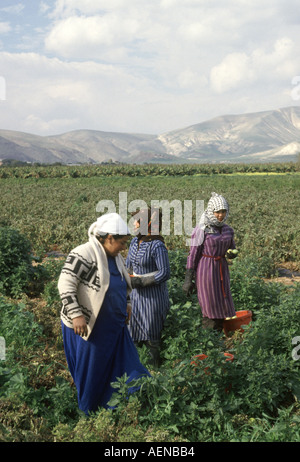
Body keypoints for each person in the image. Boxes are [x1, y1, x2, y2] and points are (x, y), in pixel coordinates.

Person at [58, 212, 150, 415]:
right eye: (122, 242)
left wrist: (126, 304)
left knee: (129, 364)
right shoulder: (83, 253)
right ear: (109, 238)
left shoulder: (114, 257)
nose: (124, 247)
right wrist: (76, 315)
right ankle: (88, 412)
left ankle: (123, 402)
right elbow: (65, 284)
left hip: (114, 326)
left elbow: (120, 282)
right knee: (94, 372)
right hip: (91, 328)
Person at [183, 192, 237, 332]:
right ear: (211, 211)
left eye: (223, 212)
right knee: (210, 303)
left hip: (221, 269)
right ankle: (208, 336)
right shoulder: (201, 230)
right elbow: (193, 254)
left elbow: (232, 247)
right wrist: (189, 278)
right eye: (217, 212)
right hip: (206, 271)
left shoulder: (228, 230)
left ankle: (218, 335)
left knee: (222, 302)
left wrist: (231, 254)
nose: (221, 215)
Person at [126, 208, 170, 367]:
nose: (134, 224)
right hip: (136, 298)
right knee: (133, 333)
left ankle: (154, 372)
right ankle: (136, 371)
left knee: (151, 336)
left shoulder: (157, 245)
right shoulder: (134, 242)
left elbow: (164, 273)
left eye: (137, 221)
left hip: (152, 299)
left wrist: (141, 281)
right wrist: (127, 277)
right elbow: (128, 266)